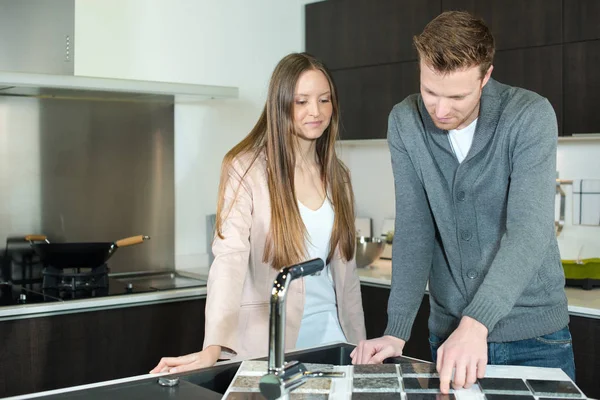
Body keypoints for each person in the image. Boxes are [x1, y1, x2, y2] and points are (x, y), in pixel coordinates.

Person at [350, 10, 575, 394]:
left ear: (485, 77)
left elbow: (529, 230)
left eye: (457, 96)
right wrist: (396, 332)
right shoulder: (404, 121)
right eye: (430, 91)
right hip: (449, 339)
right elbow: (415, 228)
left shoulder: (529, 115)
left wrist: (476, 324)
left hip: (535, 340)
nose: (439, 110)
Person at [150, 52, 366, 374]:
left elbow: (347, 278)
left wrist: (360, 347)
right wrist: (214, 347)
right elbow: (229, 260)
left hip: (333, 341)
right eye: (301, 101)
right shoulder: (245, 169)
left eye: (324, 100)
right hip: (271, 344)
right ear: (280, 105)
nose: (316, 112)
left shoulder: (339, 176)